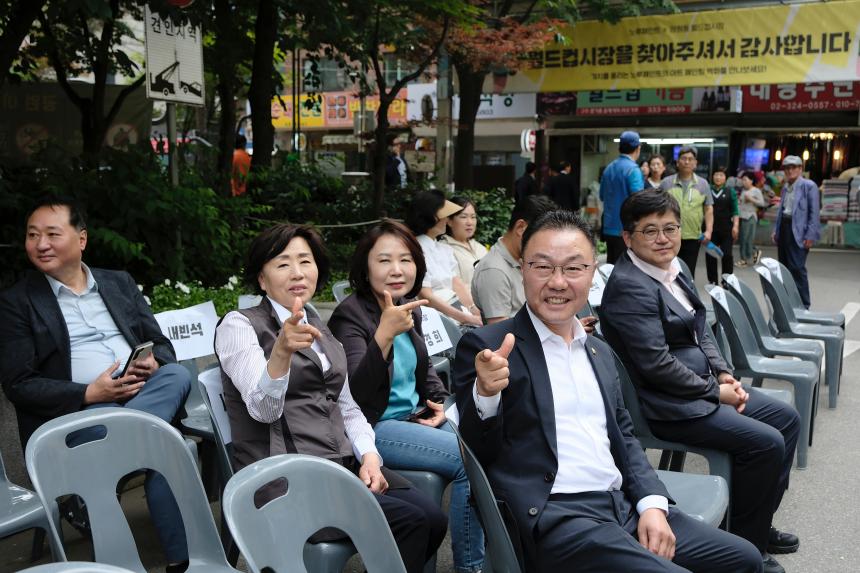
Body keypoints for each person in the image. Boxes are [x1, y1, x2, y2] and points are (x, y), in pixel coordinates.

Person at [453, 209, 762, 573]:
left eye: (573, 268)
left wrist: (650, 503)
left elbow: (625, 437)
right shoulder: (489, 346)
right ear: (522, 269)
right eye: (542, 267)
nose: (557, 282)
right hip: (558, 518)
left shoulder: (598, 350)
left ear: (591, 274)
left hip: (621, 505)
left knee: (745, 561)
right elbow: (476, 449)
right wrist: (486, 393)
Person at [214, 224, 447, 573]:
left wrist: (369, 456)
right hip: (287, 480)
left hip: (341, 465)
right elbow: (262, 411)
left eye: (305, 261)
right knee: (409, 522)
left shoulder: (315, 323)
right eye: (282, 264)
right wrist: (280, 353)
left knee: (432, 518)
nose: (297, 273)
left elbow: (347, 406)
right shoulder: (239, 325)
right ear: (261, 279)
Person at [599, 190, 800, 573]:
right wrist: (715, 391)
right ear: (628, 238)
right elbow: (656, 365)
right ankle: (748, 545)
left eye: (670, 228)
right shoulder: (629, 286)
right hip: (665, 404)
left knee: (786, 419)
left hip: (703, 386)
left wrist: (725, 373)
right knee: (765, 443)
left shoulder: (674, 268)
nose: (663, 239)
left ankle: (754, 524)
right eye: (650, 231)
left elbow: (701, 329)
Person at [0, 198, 192, 572]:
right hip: (80, 413)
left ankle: (131, 439)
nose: (40, 244)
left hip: (140, 393)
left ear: (81, 239)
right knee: (164, 451)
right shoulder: (16, 302)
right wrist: (90, 392)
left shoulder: (117, 282)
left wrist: (154, 363)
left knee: (177, 374)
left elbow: (163, 346)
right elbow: (19, 385)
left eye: (52, 234)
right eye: (32, 235)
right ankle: (180, 563)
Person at [328, 220, 485, 573]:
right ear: (364, 268)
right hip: (374, 427)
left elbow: (425, 367)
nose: (396, 270)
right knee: (467, 461)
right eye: (384, 261)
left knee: (490, 443)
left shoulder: (407, 304)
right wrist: (382, 336)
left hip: (415, 417)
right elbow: (354, 393)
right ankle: (469, 567)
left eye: (406, 260)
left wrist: (439, 404)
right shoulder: (350, 316)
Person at [471, 195, 556, 324]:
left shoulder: (524, 259)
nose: (545, 245)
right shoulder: (494, 271)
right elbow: (500, 334)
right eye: (540, 237)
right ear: (521, 228)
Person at [405, 191, 482, 327]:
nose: (447, 219)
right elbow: (426, 296)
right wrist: (466, 317)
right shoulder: (416, 249)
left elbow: (456, 284)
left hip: (455, 310)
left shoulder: (442, 249)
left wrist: (474, 310)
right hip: (434, 317)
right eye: (443, 215)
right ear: (430, 217)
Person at [773, 155, 821, 308]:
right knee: (784, 268)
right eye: (787, 168)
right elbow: (781, 210)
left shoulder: (809, 186)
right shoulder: (785, 187)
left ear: (800, 169)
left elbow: (814, 213)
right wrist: (776, 230)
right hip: (785, 228)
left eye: (793, 167)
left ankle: (804, 305)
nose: (790, 170)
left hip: (799, 230)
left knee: (797, 268)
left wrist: (810, 235)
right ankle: (789, 304)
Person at [660, 145, 713, 277]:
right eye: (684, 158)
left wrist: (709, 230)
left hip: (692, 236)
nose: (687, 162)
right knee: (668, 272)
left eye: (690, 159)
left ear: (695, 163)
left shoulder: (703, 184)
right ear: (678, 162)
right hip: (669, 235)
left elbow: (708, 208)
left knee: (688, 273)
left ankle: (686, 297)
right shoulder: (666, 183)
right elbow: (658, 208)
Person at [600, 130, 644, 263]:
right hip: (626, 230)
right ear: (638, 148)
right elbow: (639, 201)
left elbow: (601, 195)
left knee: (611, 267)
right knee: (625, 269)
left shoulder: (608, 168)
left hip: (608, 227)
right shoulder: (633, 170)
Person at [439, 197, 488, 290]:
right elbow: (454, 287)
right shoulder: (443, 249)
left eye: (473, 217)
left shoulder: (480, 248)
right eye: (463, 217)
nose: (470, 222)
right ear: (449, 221)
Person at [705, 166, 739, 284]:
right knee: (711, 255)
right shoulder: (707, 189)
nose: (718, 177)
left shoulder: (730, 191)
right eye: (716, 175)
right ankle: (713, 280)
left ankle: (727, 280)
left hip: (726, 229)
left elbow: (735, 211)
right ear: (712, 176)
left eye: (721, 175)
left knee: (727, 255)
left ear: (725, 178)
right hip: (710, 229)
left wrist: (735, 226)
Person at [737, 171, 767, 267]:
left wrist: (751, 199)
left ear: (751, 181)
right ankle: (752, 253)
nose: (743, 182)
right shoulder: (744, 191)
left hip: (750, 217)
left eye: (745, 180)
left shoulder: (756, 191)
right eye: (743, 180)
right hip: (742, 216)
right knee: (743, 239)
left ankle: (745, 259)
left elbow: (762, 203)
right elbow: (741, 204)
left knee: (746, 239)